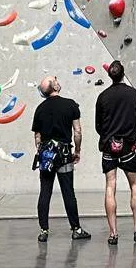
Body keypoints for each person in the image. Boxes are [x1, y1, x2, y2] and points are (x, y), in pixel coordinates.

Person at [31, 75, 91, 242]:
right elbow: (77, 132)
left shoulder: (40, 109)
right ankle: (76, 229)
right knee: (68, 192)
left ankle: (44, 231)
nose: (57, 80)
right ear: (55, 87)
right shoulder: (70, 105)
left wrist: (42, 153)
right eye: (55, 79)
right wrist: (77, 151)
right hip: (64, 154)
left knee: (45, 191)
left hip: (46, 156)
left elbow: (37, 136)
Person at [95, 60, 136, 246]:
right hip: (128, 148)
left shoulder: (102, 96)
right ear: (123, 74)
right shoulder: (134, 94)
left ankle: (113, 233)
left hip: (109, 147)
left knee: (110, 186)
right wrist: (131, 138)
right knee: (135, 186)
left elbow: (98, 125)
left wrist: (109, 138)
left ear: (110, 75)